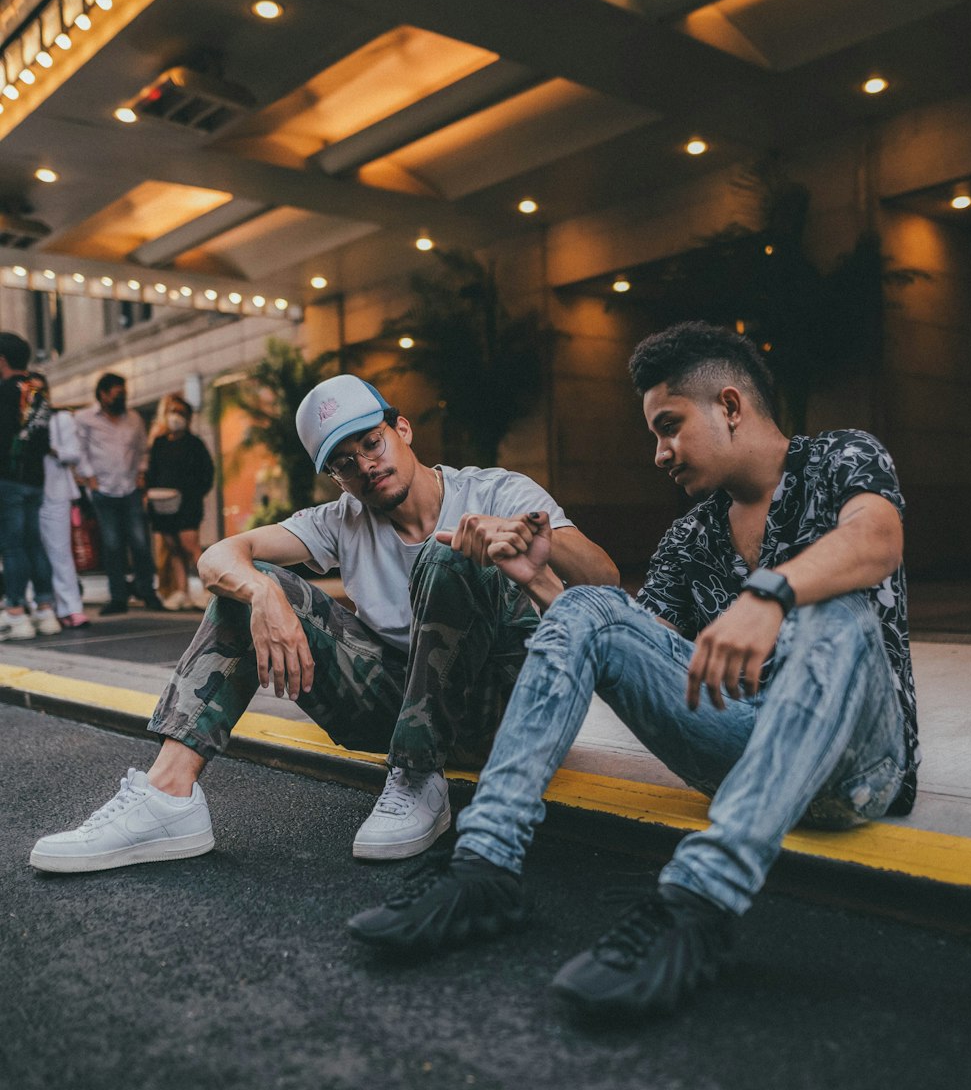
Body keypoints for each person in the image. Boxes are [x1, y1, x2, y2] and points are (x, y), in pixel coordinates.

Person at [349, 321, 920, 1021]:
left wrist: (773, 593)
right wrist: (544, 589)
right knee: (593, 604)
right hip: (738, 747)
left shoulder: (841, 457)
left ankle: (697, 903)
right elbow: (646, 658)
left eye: (670, 426)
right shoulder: (691, 536)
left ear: (731, 406)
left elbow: (877, 538)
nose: (659, 453)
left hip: (858, 762)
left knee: (839, 610)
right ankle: (483, 866)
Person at [30, 374, 618, 873]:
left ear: (402, 428)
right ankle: (167, 797)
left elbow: (605, 581)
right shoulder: (343, 519)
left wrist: (531, 550)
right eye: (344, 463)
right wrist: (264, 595)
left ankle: (418, 776)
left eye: (372, 443)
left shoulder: (497, 489)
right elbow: (218, 557)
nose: (365, 466)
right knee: (247, 584)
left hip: (506, 712)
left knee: (451, 555)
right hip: (397, 710)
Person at [76, 372, 162, 615]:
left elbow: (143, 449)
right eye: (116, 393)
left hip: (130, 489)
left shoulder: (134, 418)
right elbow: (80, 450)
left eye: (124, 393)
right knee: (112, 545)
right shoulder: (85, 418)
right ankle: (118, 597)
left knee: (140, 543)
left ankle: (147, 591)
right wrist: (89, 476)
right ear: (102, 395)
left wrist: (142, 472)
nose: (122, 397)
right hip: (103, 490)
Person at [0, 332, 61, 640]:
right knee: (34, 543)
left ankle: (15, 614)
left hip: (7, 478)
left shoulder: (3, 391)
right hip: (36, 479)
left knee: (12, 546)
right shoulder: (39, 391)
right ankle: (46, 610)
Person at [25, 371, 90, 629]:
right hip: (28, 491)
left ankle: (71, 607)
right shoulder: (19, 421)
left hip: (55, 492)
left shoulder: (60, 418)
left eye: (40, 391)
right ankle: (42, 605)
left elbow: (73, 453)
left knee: (60, 551)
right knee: (30, 550)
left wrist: (48, 447)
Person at [146, 393, 215, 610]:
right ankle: (181, 592)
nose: (176, 417)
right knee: (173, 548)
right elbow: (151, 472)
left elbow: (207, 473)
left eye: (181, 413)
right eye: (173, 412)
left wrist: (194, 494)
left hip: (188, 503)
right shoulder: (158, 444)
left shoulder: (194, 444)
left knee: (190, 547)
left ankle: (210, 590)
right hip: (162, 504)